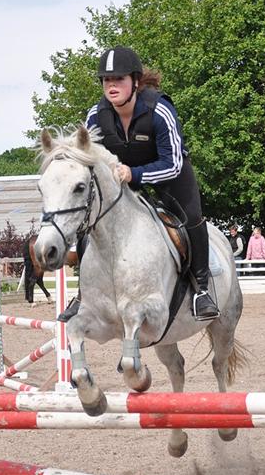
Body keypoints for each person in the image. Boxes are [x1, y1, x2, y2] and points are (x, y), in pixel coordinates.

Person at [58, 45, 219, 321]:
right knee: (91, 218)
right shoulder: (96, 115)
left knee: (191, 218)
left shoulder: (160, 110)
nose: (111, 86)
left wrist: (135, 174)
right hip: (122, 175)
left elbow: (173, 164)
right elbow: (88, 156)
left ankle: (201, 290)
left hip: (169, 175)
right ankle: (84, 294)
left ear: (135, 81)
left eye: (118, 79)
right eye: (106, 80)